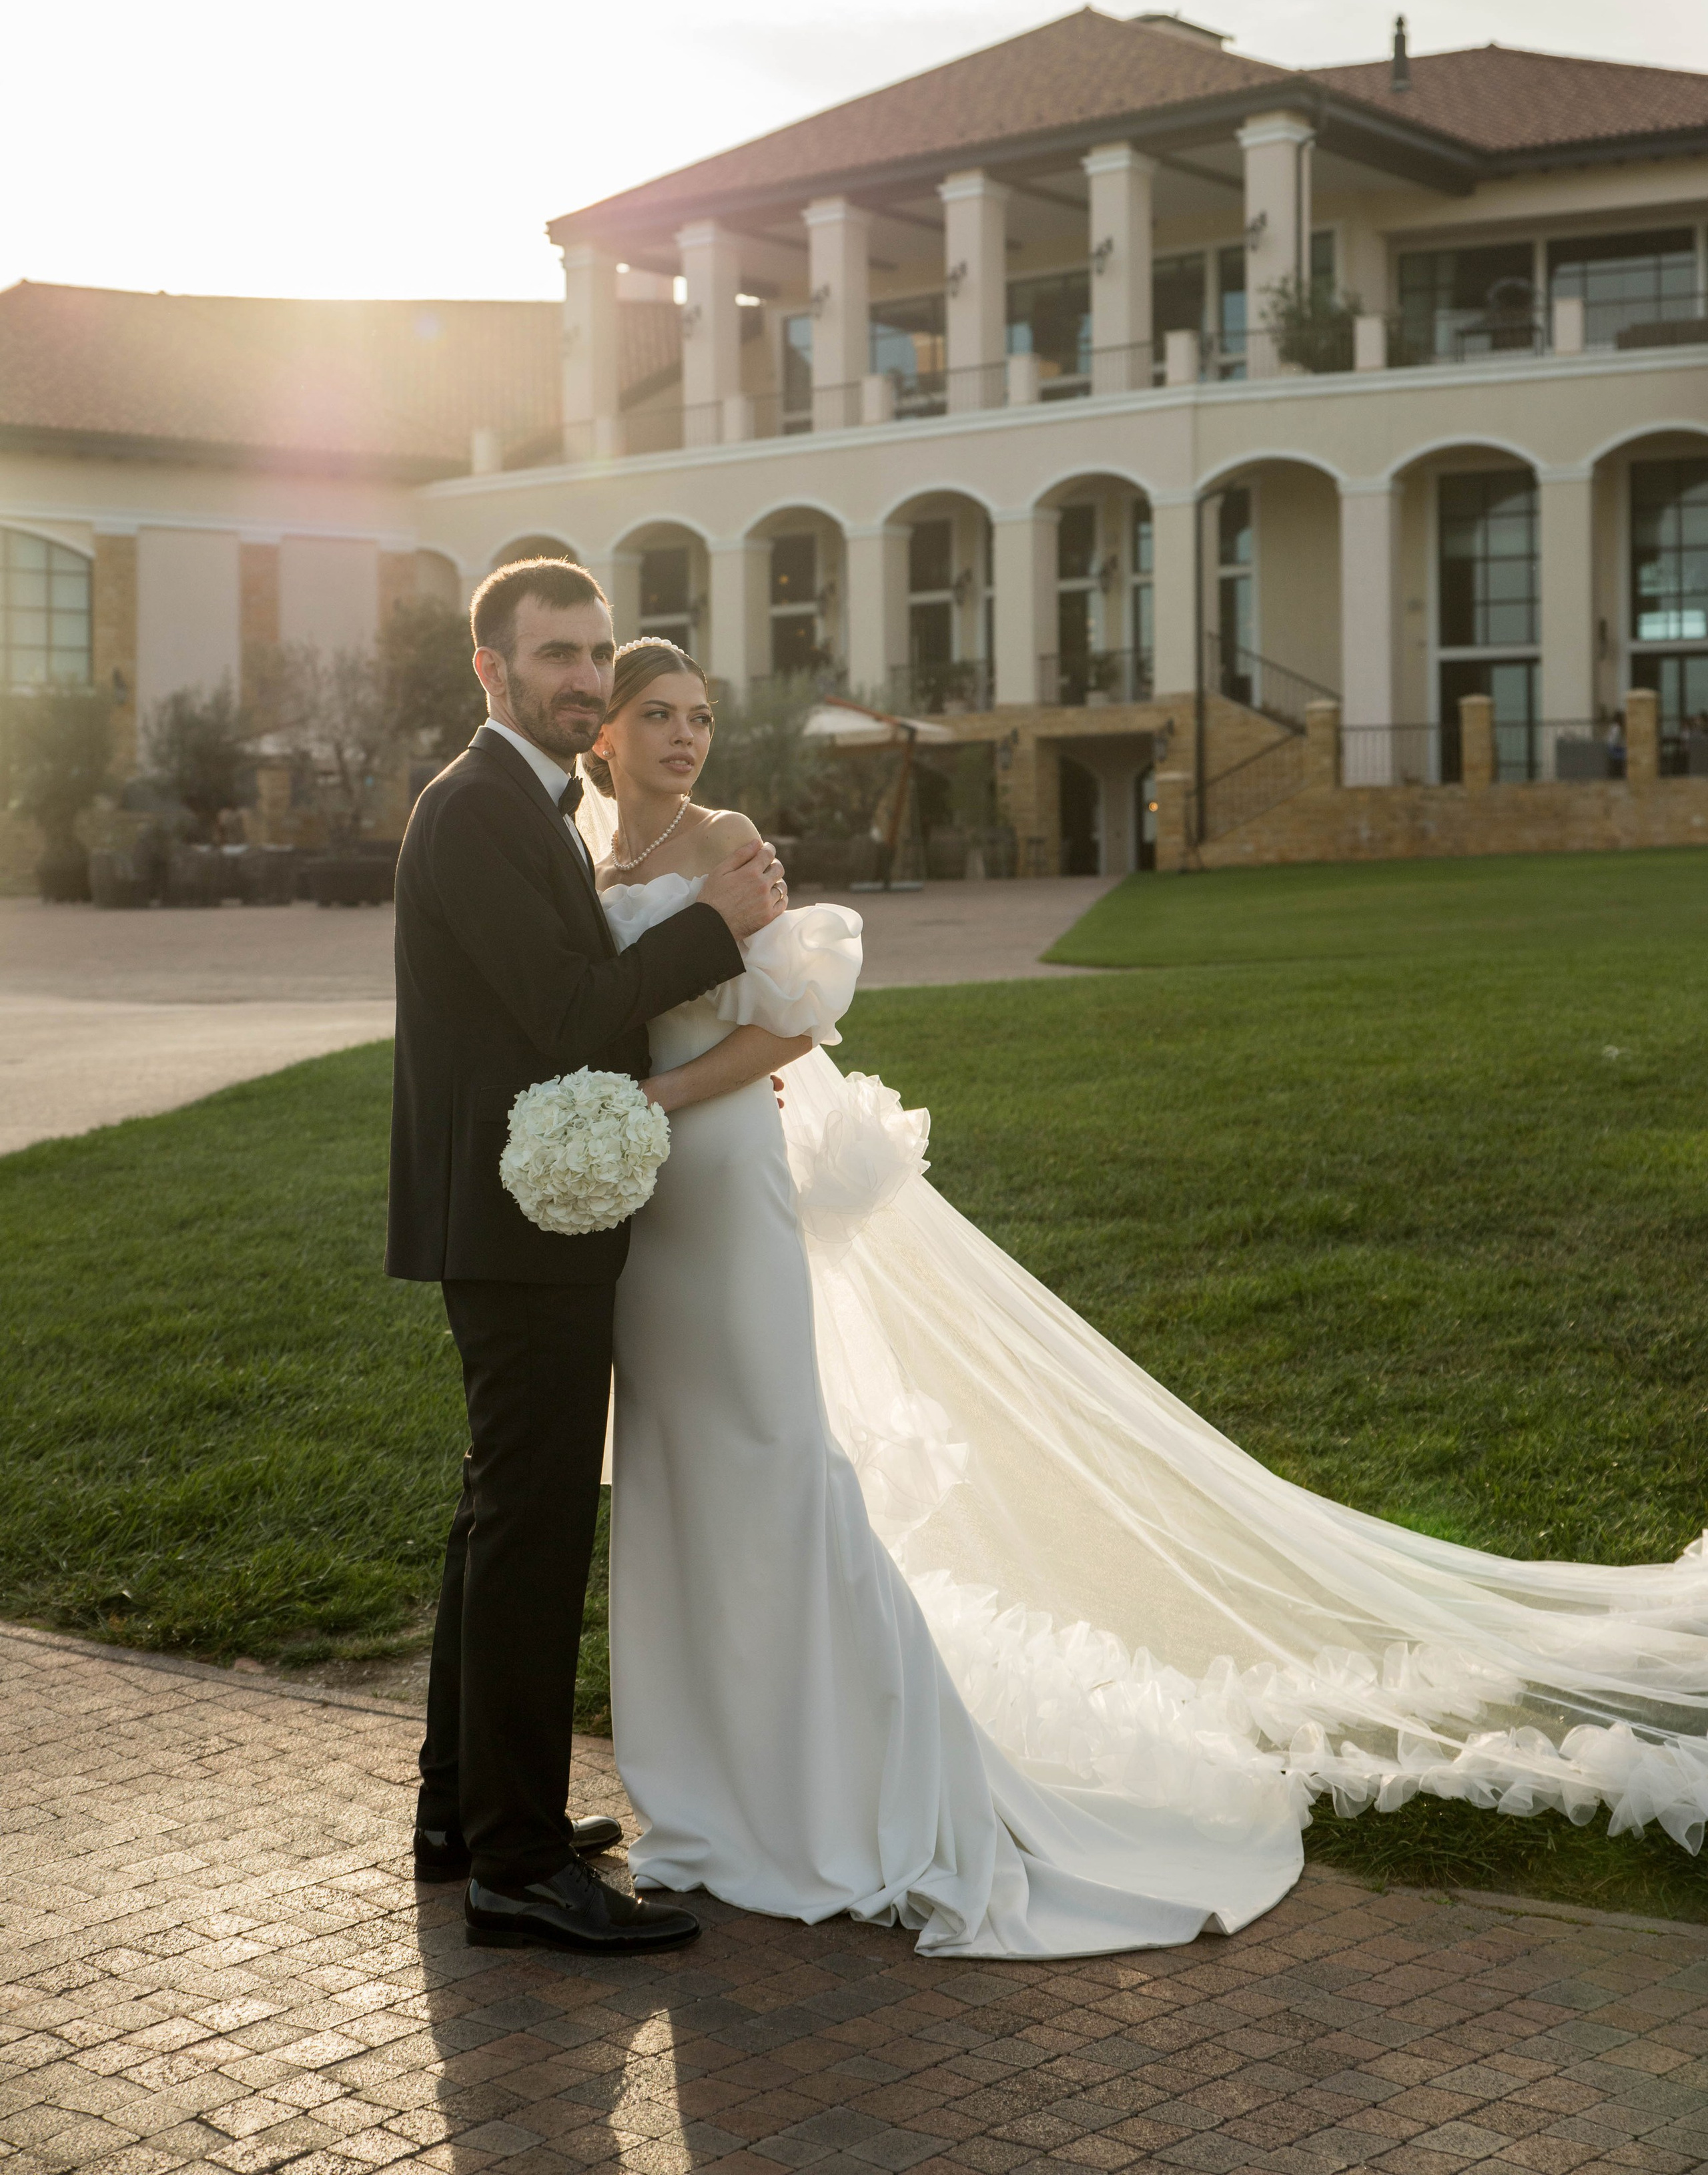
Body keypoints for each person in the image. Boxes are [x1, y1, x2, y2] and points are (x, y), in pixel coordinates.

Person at [580, 637, 1708, 1961]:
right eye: (657, 715)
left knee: (776, 1455)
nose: (685, 736)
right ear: (605, 734)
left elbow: (794, 1023)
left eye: (700, 715)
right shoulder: (589, 862)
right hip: (644, 1203)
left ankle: (832, 1776)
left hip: (723, 1174)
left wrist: (654, 1097)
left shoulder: (730, 843)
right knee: (674, 1466)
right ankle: (713, 1772)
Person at [388, 561, 787, 1957]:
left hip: (521, 1211)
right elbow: (565, 1014)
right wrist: (716, 930)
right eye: (557, 653)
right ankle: (515, 1864)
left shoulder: (533, 802)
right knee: (535, 1524)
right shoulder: (478, 809)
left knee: (501, 1512)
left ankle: (462, 1814)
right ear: (491, 669)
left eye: (596, 652)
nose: (583, 676)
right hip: (514, 1225)